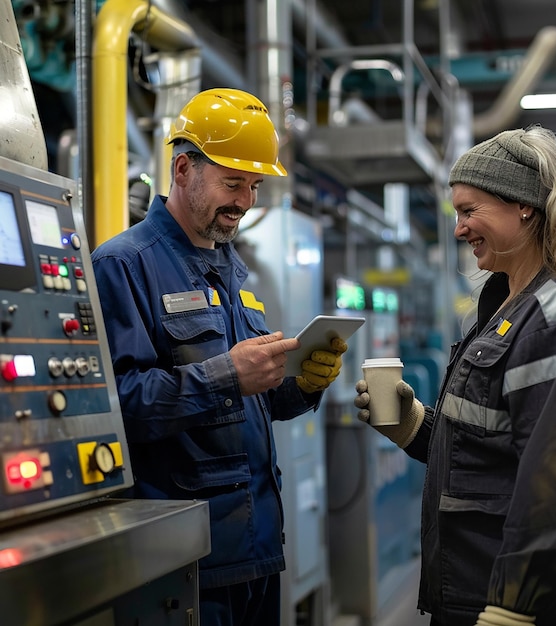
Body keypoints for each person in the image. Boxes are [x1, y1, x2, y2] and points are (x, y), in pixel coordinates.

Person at [92, 88, 347, 626]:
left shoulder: (230, 268)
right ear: (183, 169)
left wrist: (300, 383)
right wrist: (226, 375)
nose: (245, 200)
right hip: (188, 561)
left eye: (253, 185)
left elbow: (253, 403)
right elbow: (119, 406)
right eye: (233, 183)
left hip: (256, 548)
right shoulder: (124, 265)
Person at [355, 126, 556, 625]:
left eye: (469, 211)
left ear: (523, 205)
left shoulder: (555, 320)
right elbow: (495, 452)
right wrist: (414, 426)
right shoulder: (505, 310)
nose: (459, 229)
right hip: (478, 588)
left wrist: (512, 608)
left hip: (540, 606)